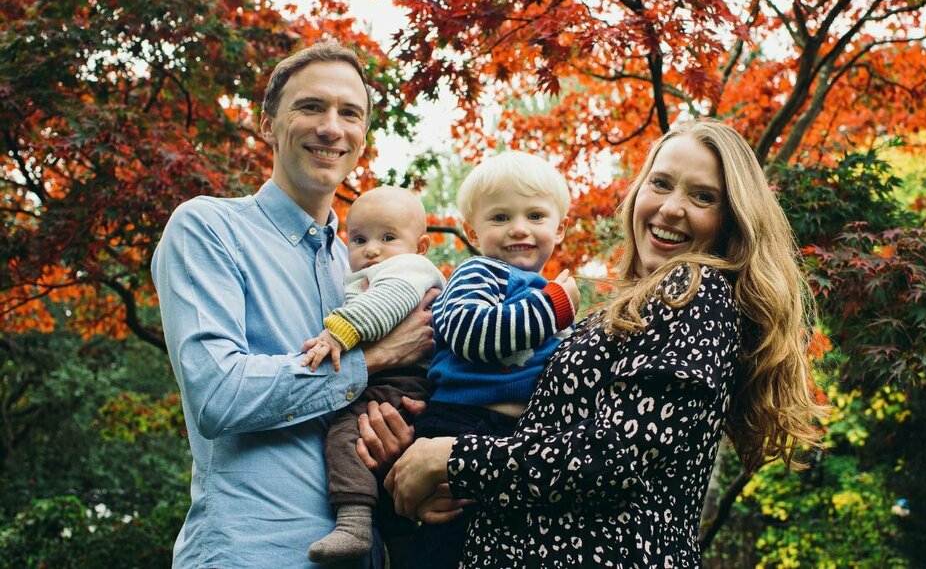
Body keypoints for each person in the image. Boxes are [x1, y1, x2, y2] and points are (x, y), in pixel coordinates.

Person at [374, 119, 826, 568]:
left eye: (702, 196)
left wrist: (451, 457)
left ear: (732, 219)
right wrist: (426, 442)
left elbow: (614, 458)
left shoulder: (694, 287)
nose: (671, 207)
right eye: (661, 183)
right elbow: (542, 440)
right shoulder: (632, 309)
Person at [151, 41, 435, 568]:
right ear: (267, 124)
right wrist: (372, 359)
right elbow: (218, 395)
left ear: (361, 138)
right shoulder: (209, 228)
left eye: (349, 113)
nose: (332, 127)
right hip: (253, 553)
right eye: (311, 107)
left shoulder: (365, 268)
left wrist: (394, 439)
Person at [405, 151, 581, 569]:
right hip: (462, 421)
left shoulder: (543, 289)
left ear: (561, 229)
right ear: (471, 230)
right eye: (500, 218)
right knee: (450, 539)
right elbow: (470, 332)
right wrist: (554, 308)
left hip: (514, 437)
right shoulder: (479, 273)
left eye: (535, 215)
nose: (518, 228)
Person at [302, 186, 445, 563]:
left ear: (421, 246)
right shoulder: (376, 270)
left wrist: (339, 332)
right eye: (360, 239)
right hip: (395, 377)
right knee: (375, 457)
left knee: (346, 434)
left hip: (403, 378)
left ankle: (352, 522)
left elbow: (388, 302)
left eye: (388, 238)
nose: (372, 250)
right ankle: (399, 543)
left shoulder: (407, 270)